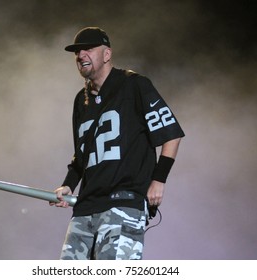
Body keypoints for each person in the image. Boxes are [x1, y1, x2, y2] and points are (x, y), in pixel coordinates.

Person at [50, 27, 185, 260]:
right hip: (85, 208)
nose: (81, 55)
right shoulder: (81, 101)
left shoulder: (135, 85)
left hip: (123, 204)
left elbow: (171, 133)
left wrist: (158, 179)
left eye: (88, 49)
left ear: (107, 54)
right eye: (77, 52)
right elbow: (81, 156)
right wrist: (68, 185)